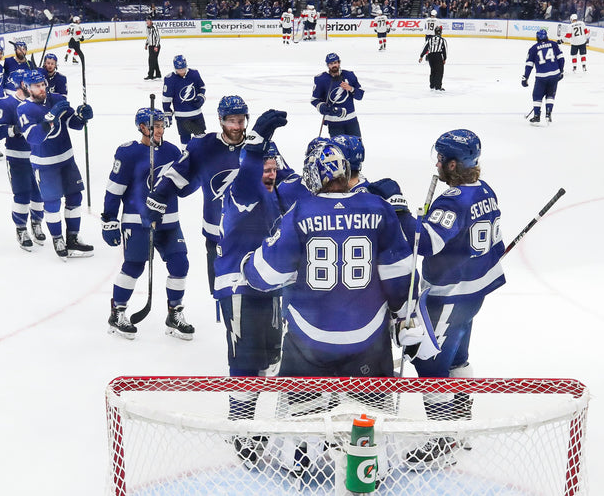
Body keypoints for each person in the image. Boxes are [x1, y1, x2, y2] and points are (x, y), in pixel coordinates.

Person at [242, 141, 436, 396]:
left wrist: (248, 264)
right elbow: (399, 273)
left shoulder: (299, 213)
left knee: (305, 427)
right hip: (368, 342)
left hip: (308, 343)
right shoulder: (378, 207)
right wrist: (404, 316)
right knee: (365, 425)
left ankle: (308, 435)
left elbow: (265, 275)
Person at [368, 129, 504, 470]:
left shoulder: (453, 200)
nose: (438, 164)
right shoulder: (485, 191)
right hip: (473, 294)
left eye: (442, 159)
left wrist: (399, 209)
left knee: (428, 362)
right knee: (458, 357)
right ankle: (461, 423)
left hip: (448, 296)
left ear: (454, 164)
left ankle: (442, 437)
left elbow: (425, 242)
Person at [213, 110, 290, 430]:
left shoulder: (273, 195)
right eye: (264, 169)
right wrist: (256, 141)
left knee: (272, 358)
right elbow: (248, 174)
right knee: (245, 360)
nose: (269, 174)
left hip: (269, 286)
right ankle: (242, 428)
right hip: (238, 286)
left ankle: (257, 419)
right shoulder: (241, 189)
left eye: (273, 169)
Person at [145, 95, 249, 305]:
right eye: (231, 121)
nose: (237, 126)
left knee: (252, 299)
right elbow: (177, 177)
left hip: (252, 237)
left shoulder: (257, 147)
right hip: (216, 236)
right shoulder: (203, 147)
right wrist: (158, 197)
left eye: (241, 120)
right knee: (224, 299)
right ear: (220, 119)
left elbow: (281, 183)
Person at [101, 107, 192, 340]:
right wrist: (109, 219)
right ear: (142, 127)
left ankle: (175, 314)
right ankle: (118, 312)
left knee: (180, 263)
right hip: (136, 220)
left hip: (169, 220)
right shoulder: (128, 153)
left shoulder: (172, 151)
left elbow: (182, 186)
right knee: (134, 266)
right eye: (155, 126)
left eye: (162, 125)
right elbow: (115, 188)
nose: (160, 130)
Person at [17, 69, 95, 260]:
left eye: (43, 84)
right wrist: (51, 118)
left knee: (75, 198)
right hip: (44, 164)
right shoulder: (24, 109)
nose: (42, 88)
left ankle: (73, 238)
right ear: (27, 88)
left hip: (66, 158)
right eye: (37, 86)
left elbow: (74, 124)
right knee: (52, 203)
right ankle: (58, 238)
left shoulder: (57, 98)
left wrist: (81, 116)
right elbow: (34, 138)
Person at [0, 68, 47, 251]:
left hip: (38, 156)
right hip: (17, 158)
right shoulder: (6, 103)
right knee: (22, 194)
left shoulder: (38, 102)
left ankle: (36, 222)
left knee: (40, 194)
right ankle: (21, 228)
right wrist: (14, 129)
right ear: (23, 84)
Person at [311, 52, 364, 137]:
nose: (334, 65)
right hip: (334, 123)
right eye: (331, 63)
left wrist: (351, 88)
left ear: (339, 63)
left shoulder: (349, 75)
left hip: (351, 121)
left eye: (335, 62)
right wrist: (321, 106)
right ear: (328, 65)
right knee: (338, 149)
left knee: (357, 148)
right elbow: (314, 100)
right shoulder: (321, 79)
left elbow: (360, 95)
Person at [161, 54, 206, 145]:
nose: (181, 71)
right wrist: (167, 113)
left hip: (197, 114)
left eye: (183, 69)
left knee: (201, 137)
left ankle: (202, 156)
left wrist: (201, 97)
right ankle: (185, 156)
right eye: (179, 70)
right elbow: (166, 98)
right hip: (182, 117)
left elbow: (202, 87)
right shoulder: (170, 79)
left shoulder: (194, 74)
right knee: (185, 138)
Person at [522, 29, 565, 125]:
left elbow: (529, 64)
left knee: (537, 95)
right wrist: (560, 71)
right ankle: (548, 113)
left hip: (541, 76)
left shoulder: (533, 48)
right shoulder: (553, 44)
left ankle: (537, 116)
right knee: (550, 94)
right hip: (554, 74)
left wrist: (525, 77)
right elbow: (561, 58)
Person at [419, 25, 448, 91]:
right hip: (438, 56)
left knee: (433, 70)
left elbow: (425, 48)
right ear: (441, 32)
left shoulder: (430, 39)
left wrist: (421, 56)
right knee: (439, 71)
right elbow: (445, 50)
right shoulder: (442, 40)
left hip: (430, 56)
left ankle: (432, 85)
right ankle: (438, 86)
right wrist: (444, 58)